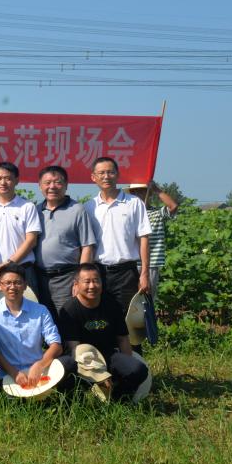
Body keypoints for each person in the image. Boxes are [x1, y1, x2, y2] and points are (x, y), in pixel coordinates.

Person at [57, 263, 150, 399]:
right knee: (67, 370)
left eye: (96, 281)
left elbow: (123, 338)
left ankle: (118, 399)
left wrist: (127, 365)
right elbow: (74, 349)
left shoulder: (112, 304)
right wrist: (99, 375)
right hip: (82, 360)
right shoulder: (69, 310)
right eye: (87, 282)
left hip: (109, 355)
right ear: (76, 284)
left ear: (102, 282)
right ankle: (78, 400)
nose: (92, 286)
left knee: (138, 370)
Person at [0, 263, 68, 391]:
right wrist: (14, 373)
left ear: (25, 285)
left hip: (39, 371)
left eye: (17, 282)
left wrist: (40, 365)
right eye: (7, 283)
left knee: (68, 363)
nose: (12, 287)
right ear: (0, 285)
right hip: (8, 373)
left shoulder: (40, 310)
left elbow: (56, 345)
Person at [83, 156, 151, 313]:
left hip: (126, 273)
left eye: (110, 172)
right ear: (93, 177)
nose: (106, 176)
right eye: (101, 173)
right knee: (100, 317)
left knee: (126, 319)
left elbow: (144, 239)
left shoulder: (134, 203)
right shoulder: (89, 207)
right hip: (98, 272)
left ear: (118, 175)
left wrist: (144, 274)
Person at [34, 165, 97, 321]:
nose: (52, 187)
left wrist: (79, 280)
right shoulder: (35, 211)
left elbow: (87, 247)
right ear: (40, 186)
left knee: (68, 320)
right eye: (47, 183)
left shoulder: (77, 210)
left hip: (67, 277)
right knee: (43, 322)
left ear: (66, 185)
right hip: (39, 277)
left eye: (58, 182)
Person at [0, 162, 43, 300]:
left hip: (24, 270)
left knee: (29, 309)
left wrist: (9, 263)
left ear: (17, 180)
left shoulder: (27, 207)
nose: (3, 182)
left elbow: (31, 240)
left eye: (8, 178)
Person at [128, 181, 179, 313]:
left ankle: (147, 325)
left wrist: (157, 189)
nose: (139, 194)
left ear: (149, 193)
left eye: (142, 191)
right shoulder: (128, 214)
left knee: (147, 300)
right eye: (135, 192)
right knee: (130, 303)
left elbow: (173, 206)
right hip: (129, 264)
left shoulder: (157, 213)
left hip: (151, 264)